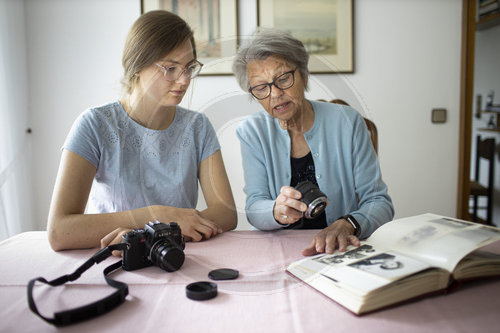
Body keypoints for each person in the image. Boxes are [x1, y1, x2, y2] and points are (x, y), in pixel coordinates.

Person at [47, 10, 237, 251]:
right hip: (115, 261)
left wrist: (157, 232)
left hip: (175, 259)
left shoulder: (197, 127)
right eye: (170, 68)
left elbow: (226, 213)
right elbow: (59, 231)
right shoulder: (94, 124)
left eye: (189, 67)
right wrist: (157, 215)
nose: (184, 80)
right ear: (137, 65)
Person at [232, 29, 394, 256]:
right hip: (278, 250)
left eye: (283, 79)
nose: (275, 94)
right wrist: (276, 210)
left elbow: (379, 202)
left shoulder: (348, 122)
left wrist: (348, 223)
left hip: (340, 248)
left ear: (304, 75)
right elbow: (254, 206)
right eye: (261, 87)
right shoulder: (252, 131)